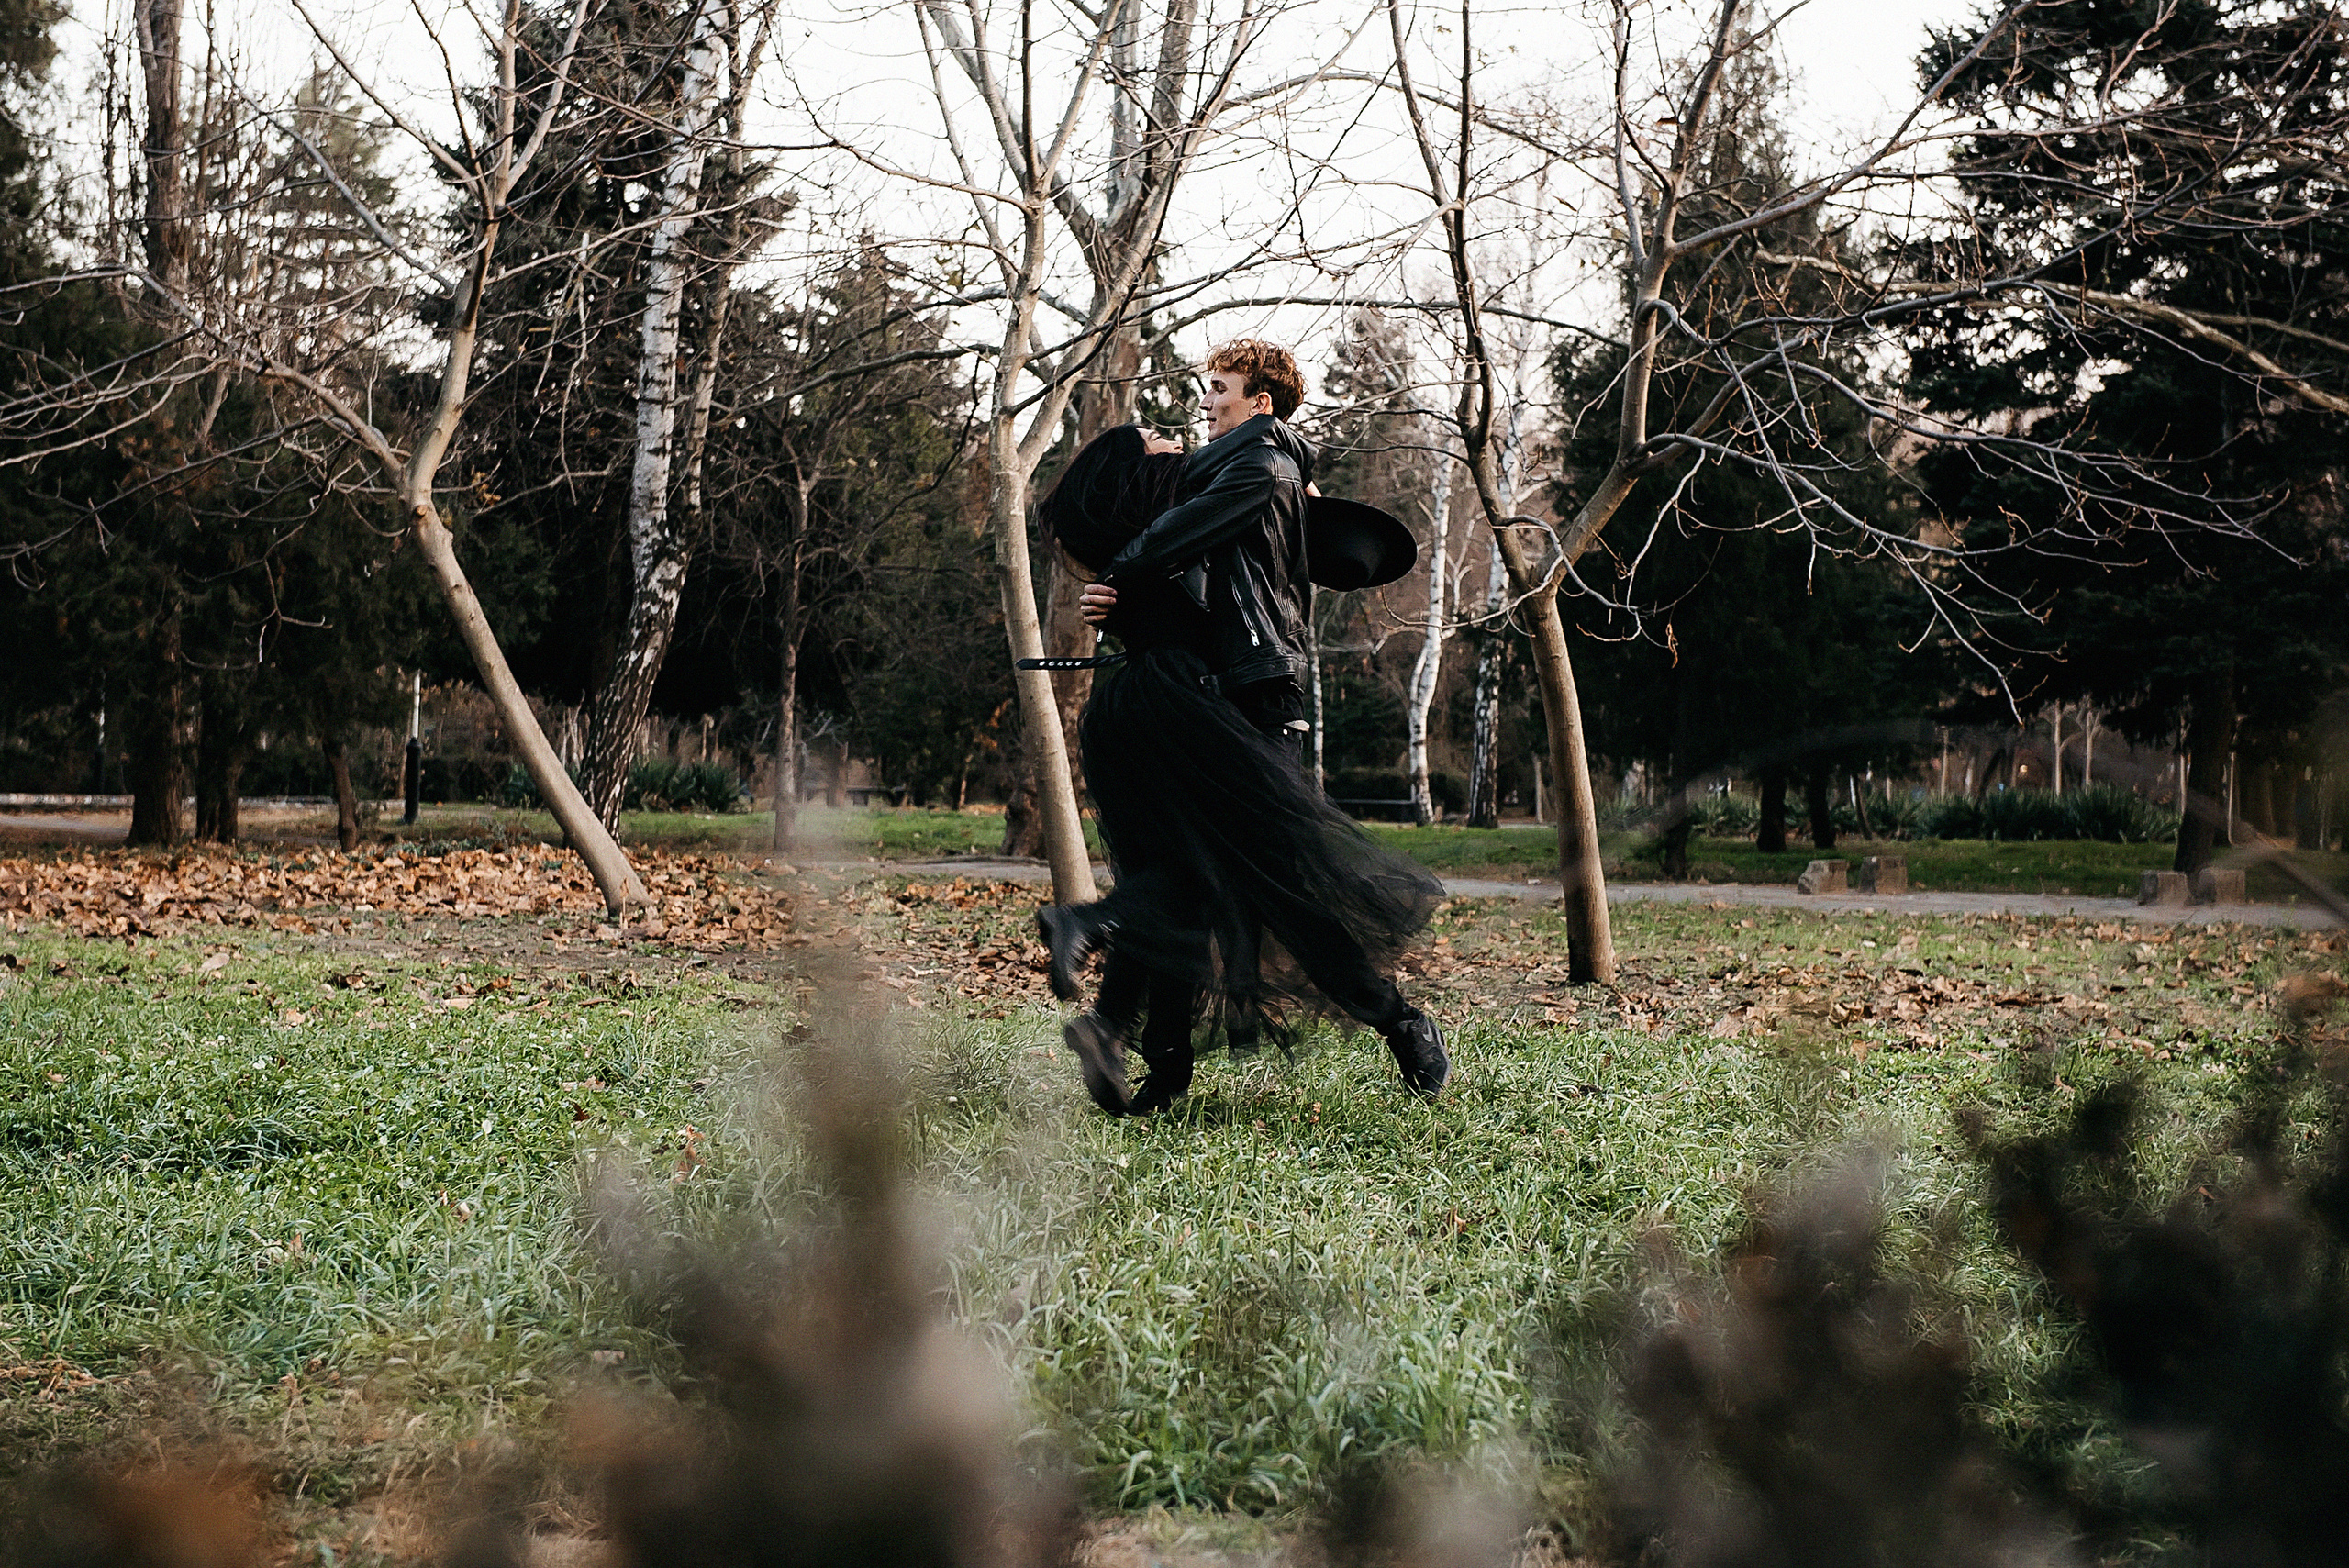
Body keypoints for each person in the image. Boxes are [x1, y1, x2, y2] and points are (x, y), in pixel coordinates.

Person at [1035, 339, 1450, 1115]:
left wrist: (1118, 575)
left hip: (1258, 701)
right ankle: (1146, 1056)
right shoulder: (1233, 469)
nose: (1203, 403)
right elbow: (1184, 581)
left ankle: (1399, 1022)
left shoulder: (1260, 470)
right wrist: (1124, 602)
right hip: (1214, 695)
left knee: (1283, 894)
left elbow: (1177, 539)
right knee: (1191, 881)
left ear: (1259, 401)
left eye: (1218, 388)